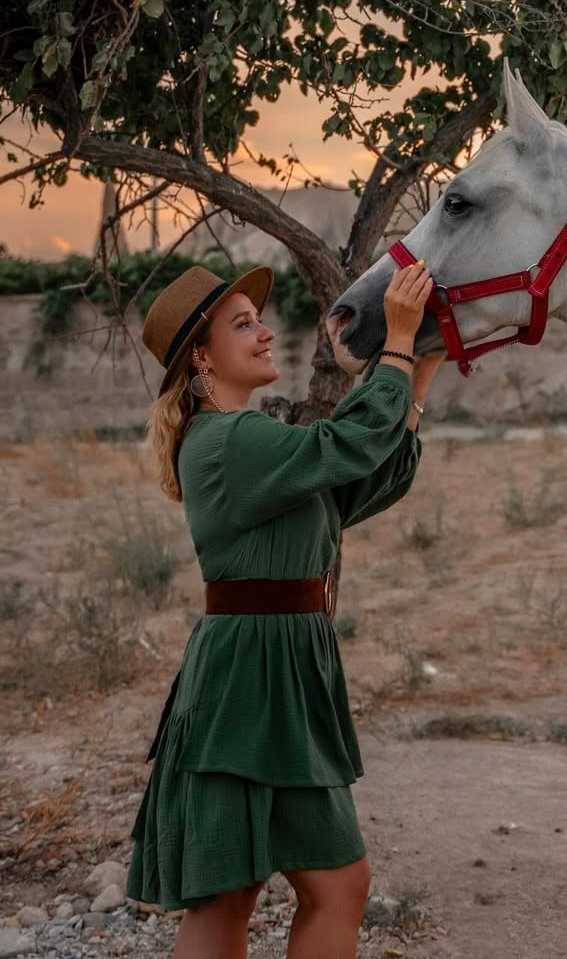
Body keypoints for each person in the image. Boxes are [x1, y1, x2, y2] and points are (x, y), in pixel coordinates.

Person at [127, 260, 440, 959]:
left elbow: (350, 487)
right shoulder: (227, 440)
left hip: (283, 677)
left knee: (336, 883)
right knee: (228, 897)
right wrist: (393, 343)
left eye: (259, 320)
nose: (266, 333)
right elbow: (343, 445)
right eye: (244, 325)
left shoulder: (252, 439)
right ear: (201, 358)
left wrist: (417, 369)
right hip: (244, 681)